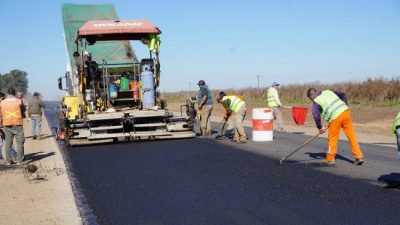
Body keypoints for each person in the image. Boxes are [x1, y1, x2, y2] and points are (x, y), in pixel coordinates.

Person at [307, 88, 364, 165]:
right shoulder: (328, 91)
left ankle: (330, 159)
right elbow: (343, 94)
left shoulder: (316, 101)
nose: (312, 100)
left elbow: (316, 115)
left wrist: (320, 127)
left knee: (332, 138)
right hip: (345, 112)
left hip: (335, 118)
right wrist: (344, 106)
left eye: (310, 99)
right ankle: (358, 157)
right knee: (352, 136)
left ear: (311, 95)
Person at [0, 88, 25, 165]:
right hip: (17, 123)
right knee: (20, 142)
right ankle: (19, 160)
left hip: (6, 124)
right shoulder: (19, 101)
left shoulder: (2, 102)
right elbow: (23, 110)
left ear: (7, 93)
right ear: (14, 93)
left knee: (8, 143)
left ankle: (8, 161)